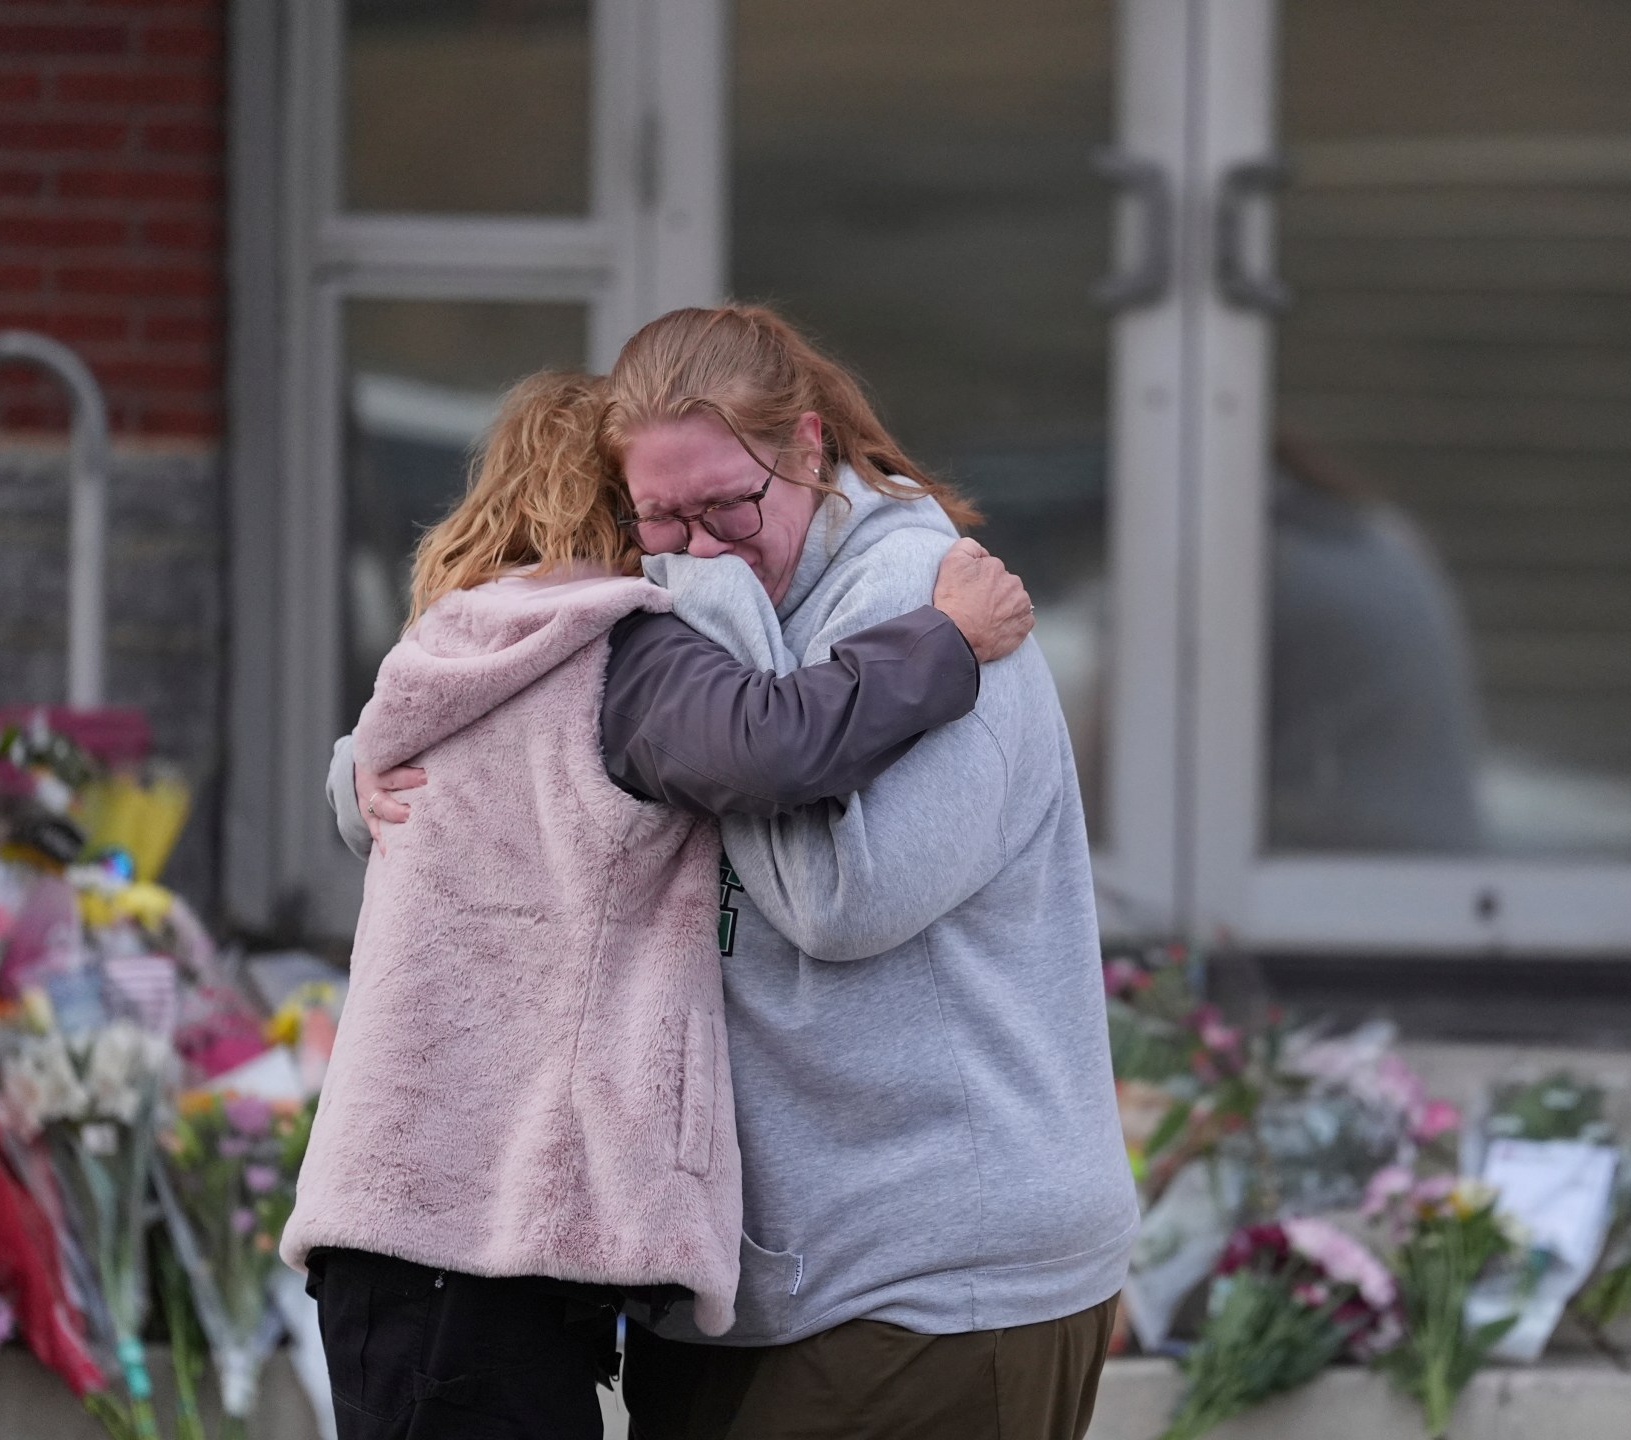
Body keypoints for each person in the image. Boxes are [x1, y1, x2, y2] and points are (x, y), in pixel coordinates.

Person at [372, 304, 1136, 1440]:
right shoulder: (678, 623)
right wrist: (363, 772)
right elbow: (509, 703)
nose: (708, 547)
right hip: (748, 1287)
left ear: (810, 448)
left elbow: (840, 899)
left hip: (931, 1272)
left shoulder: (922, 594)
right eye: (663, 519)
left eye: (735, 504)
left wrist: (713, 621)